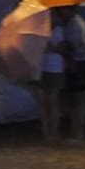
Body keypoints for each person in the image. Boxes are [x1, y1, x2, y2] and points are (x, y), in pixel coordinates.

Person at [59, 7, 85, 145]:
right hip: (82, 63)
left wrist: (63, 48)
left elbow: (73, 46)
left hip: (80, 64)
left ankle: (78, 134)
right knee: (78, 101)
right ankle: (78, 133)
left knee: (78, 101)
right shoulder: (78, 23)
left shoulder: (75, 24)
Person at [36, 10, 67, 145]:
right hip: (41, 68)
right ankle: (46, 133)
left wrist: (51, 48)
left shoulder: (59, 30)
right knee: (43, 102)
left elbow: (63, 49)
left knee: (53, 102)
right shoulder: (38, 29)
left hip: (55, 67)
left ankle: (54, 133)